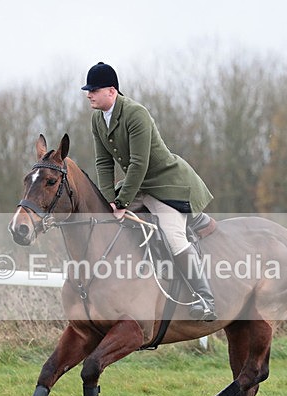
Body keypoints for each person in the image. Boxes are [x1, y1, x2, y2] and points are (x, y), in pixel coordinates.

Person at [81, 62, 217, 321]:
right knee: (102, 218)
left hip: (166, 184)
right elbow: (103, 162)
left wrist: (121, 201)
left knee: (174, 236)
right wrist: (109, 200)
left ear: (111, 91)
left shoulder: (136, 113)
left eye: (94, 90)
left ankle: (206, 299)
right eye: (88, 90)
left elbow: (139, 163)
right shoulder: (97, 119)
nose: (89, 94)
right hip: (138, 185)